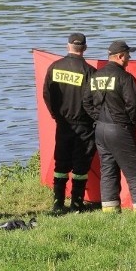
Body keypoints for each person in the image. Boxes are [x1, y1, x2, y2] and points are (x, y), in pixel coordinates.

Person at [83, 40, 136, 213]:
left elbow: (86, 102)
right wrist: (130, 124)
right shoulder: (125, 77)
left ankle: (110, 212)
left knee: (108, 171)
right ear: (120, 56)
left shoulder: (96, 76)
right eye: (128, 55)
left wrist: (98, 117)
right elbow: (134, 103)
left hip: (100, 130)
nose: (129, 58)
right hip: (120, 129)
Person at [43, 32, 97, 214]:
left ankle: (58, 203)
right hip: (84, 125)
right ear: (85, 48)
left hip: (63, 124)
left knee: (61, 164)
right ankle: (77, 204)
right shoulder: (90, 72)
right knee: (81, 166)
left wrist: (56, 115)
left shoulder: (54, 67)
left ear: (68, 46)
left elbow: (47, 94)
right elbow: (95, 101)